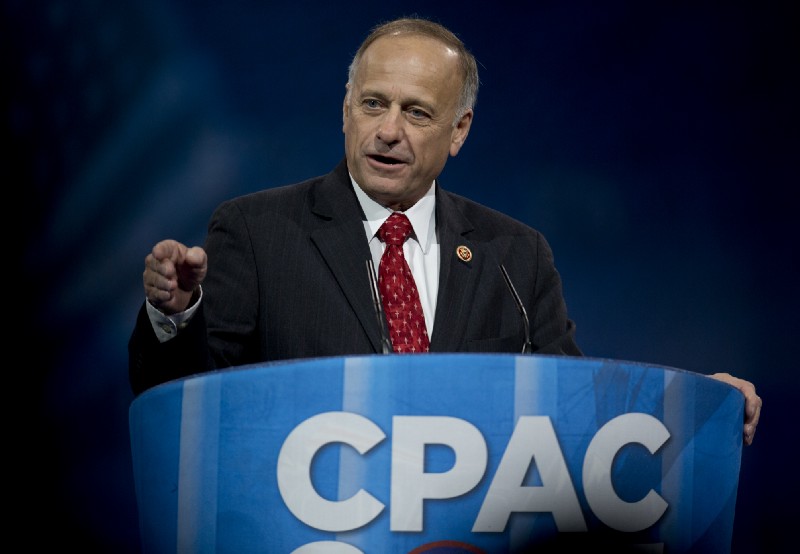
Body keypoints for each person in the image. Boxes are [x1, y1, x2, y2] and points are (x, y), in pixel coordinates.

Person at [128, 16, 761, 445]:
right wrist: (178, 317)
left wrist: (697, 406)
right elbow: (184, 413)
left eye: (417, 112)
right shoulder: (256, 231)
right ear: (345, 109)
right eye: (373, 104)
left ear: (458, 131)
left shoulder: (515, 253)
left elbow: (575, 413)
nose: (388, 130)